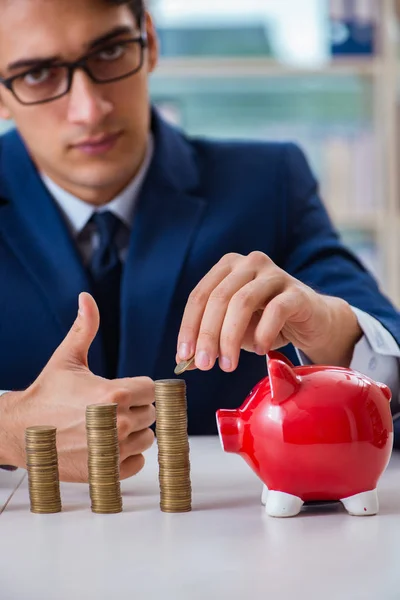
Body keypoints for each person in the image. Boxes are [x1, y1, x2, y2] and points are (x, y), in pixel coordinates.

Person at [0, 0, 399, 483]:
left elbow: (390, 359)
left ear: (149, 39)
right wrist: (9, 427)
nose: (90, 110)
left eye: (109, 52)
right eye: (38, 74)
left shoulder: (269, 182)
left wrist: (332, 330)